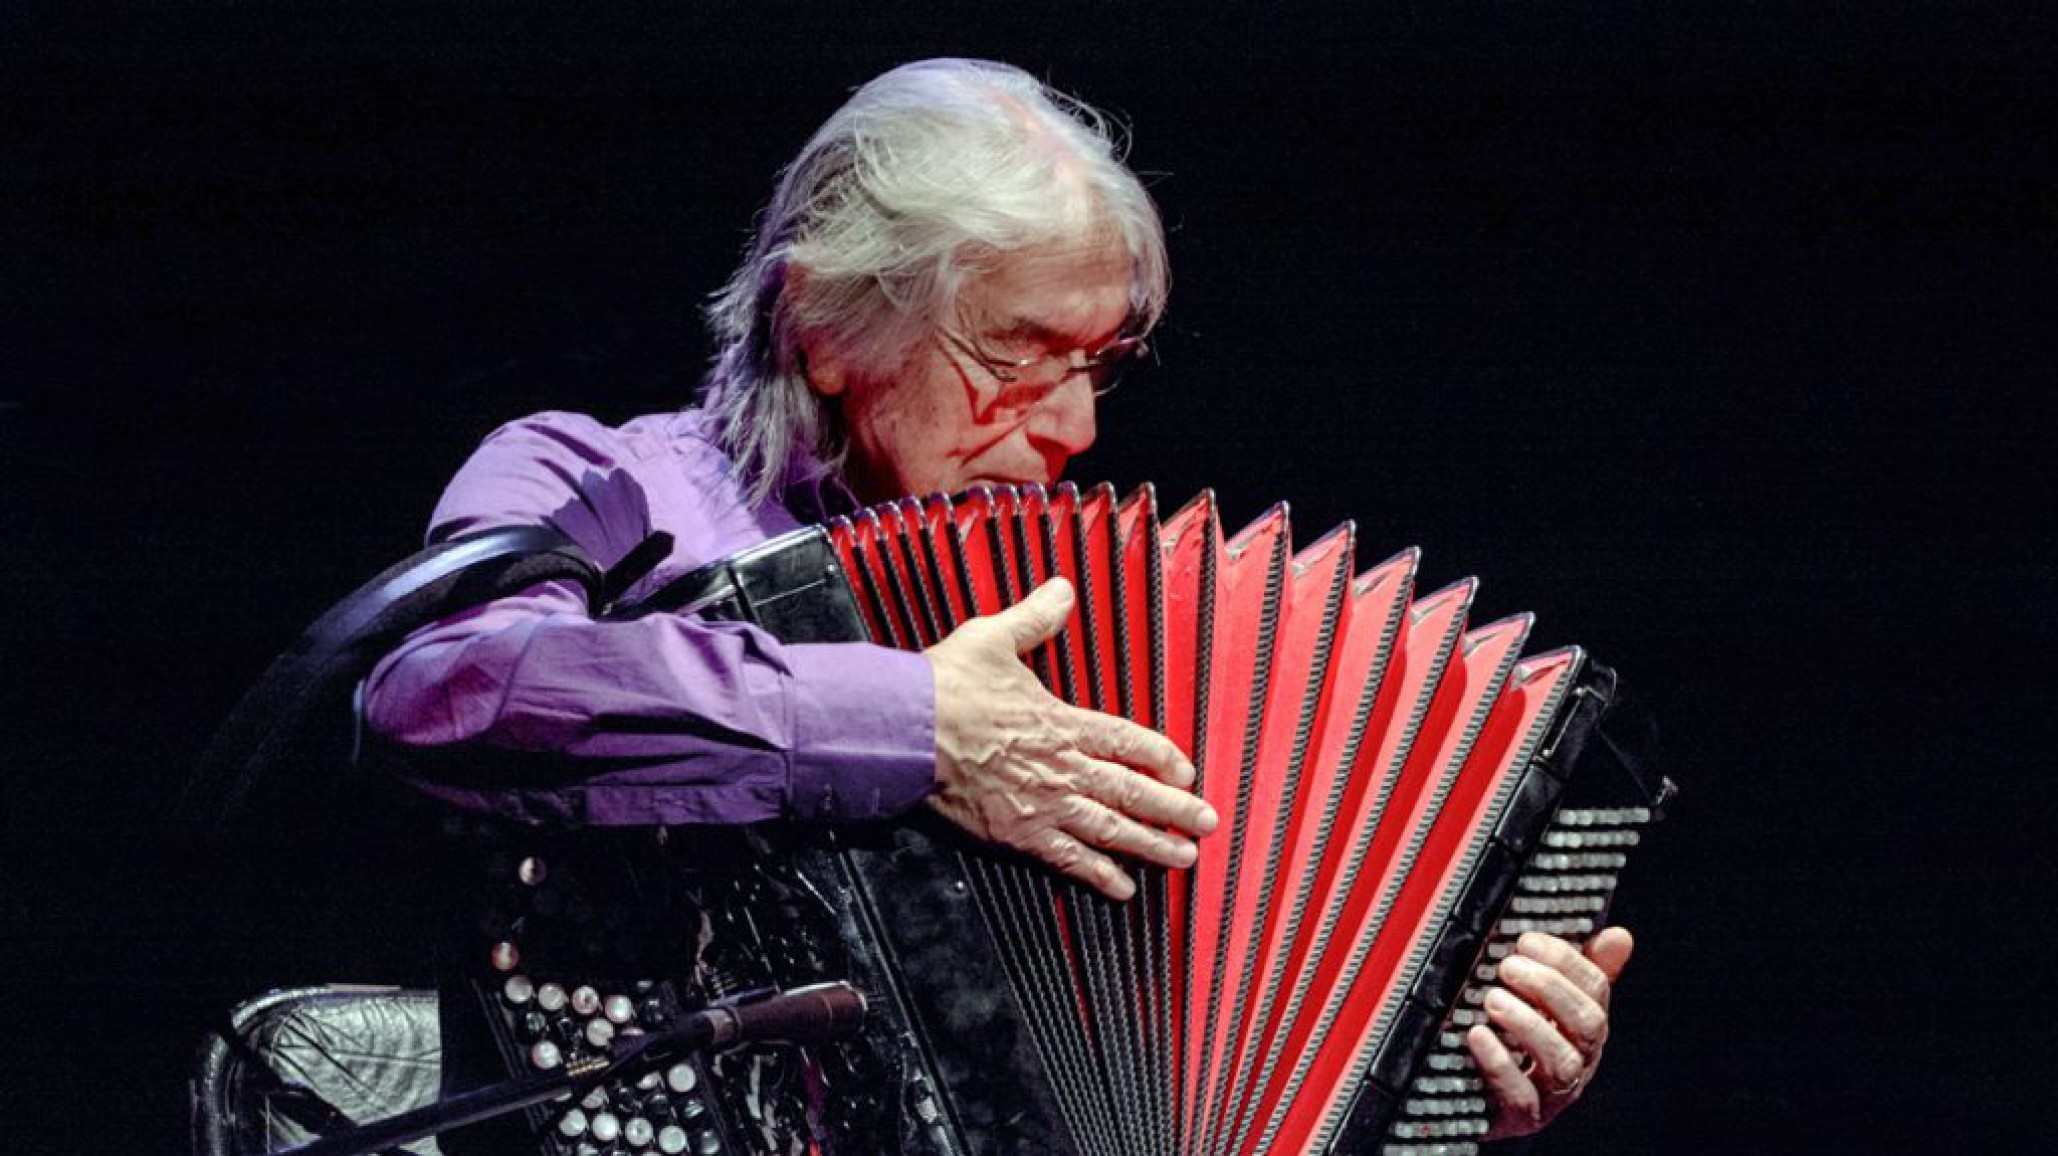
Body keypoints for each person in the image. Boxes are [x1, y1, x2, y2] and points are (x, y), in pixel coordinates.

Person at [363, 57, 1631, 1146]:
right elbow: (438, 697)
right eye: (1016, 359)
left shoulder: (1096, 601)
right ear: (824, 322)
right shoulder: (597, 488)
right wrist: (913, 720)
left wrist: (1442, 1058)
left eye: (1098, 365)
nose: (1074, 426)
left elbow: (1230, 1006)